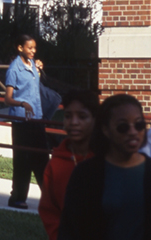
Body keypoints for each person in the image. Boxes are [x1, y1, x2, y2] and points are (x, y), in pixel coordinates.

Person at [58, 94, 151, 240]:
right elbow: (70, 229)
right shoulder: (86, 174)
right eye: (123, 127)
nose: (133, 132)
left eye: (139, 125)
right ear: (106, 130)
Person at [39, 89, 99, 240]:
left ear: (95, 119)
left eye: (82, 116)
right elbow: (49, 211)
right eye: (68, 116)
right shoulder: (55, 164)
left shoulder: (107, 160)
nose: (74, 122)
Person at [4, 34, 50, 209]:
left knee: (42, 158)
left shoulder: (32, 65)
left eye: (34, 48)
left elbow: (35, 84)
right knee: (22, 160)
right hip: (21, 120)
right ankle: (17, 198)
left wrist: (38, 68)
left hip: (37, 118)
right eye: (29, 48)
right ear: (20, 48)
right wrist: (22, 103)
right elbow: (7, 99)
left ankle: (49, 197)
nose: (33, 51)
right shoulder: (14, 69)